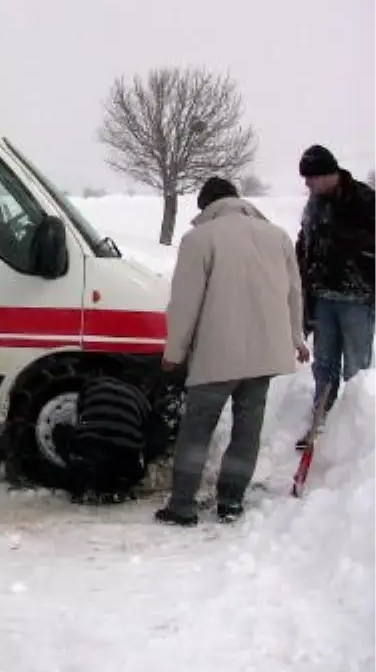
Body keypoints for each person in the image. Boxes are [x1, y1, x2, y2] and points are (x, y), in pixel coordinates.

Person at [155, 177, 309, 526]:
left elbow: (184, 302)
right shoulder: (277, 237)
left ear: (206, 206)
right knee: (246, 432)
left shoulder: (199, 239)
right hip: (264, 357)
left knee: (197, 430)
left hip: (216, 355)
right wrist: (295, 338)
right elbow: (294, 292)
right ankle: (231, 503)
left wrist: (174, 351)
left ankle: (181, 506)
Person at [294, 145, 376, 439]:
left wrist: (357, 254)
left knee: (356, 366)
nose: (307, 184)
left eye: (311, 178)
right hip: (323, 297)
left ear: (329, 173)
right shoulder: (314, 205)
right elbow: (305, 244)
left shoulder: (364, 200)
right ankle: (322, 415)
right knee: (324, 363)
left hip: (358, 297)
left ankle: (355, 428)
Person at [53, 373, 168, 504]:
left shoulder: (94, 384)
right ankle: (118, 485)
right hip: (124, 461)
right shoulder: (141, 399)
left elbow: (80, 414)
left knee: (62, 430)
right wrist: (145, 461)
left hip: (90, 452)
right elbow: (155, 434)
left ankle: (82, 480)